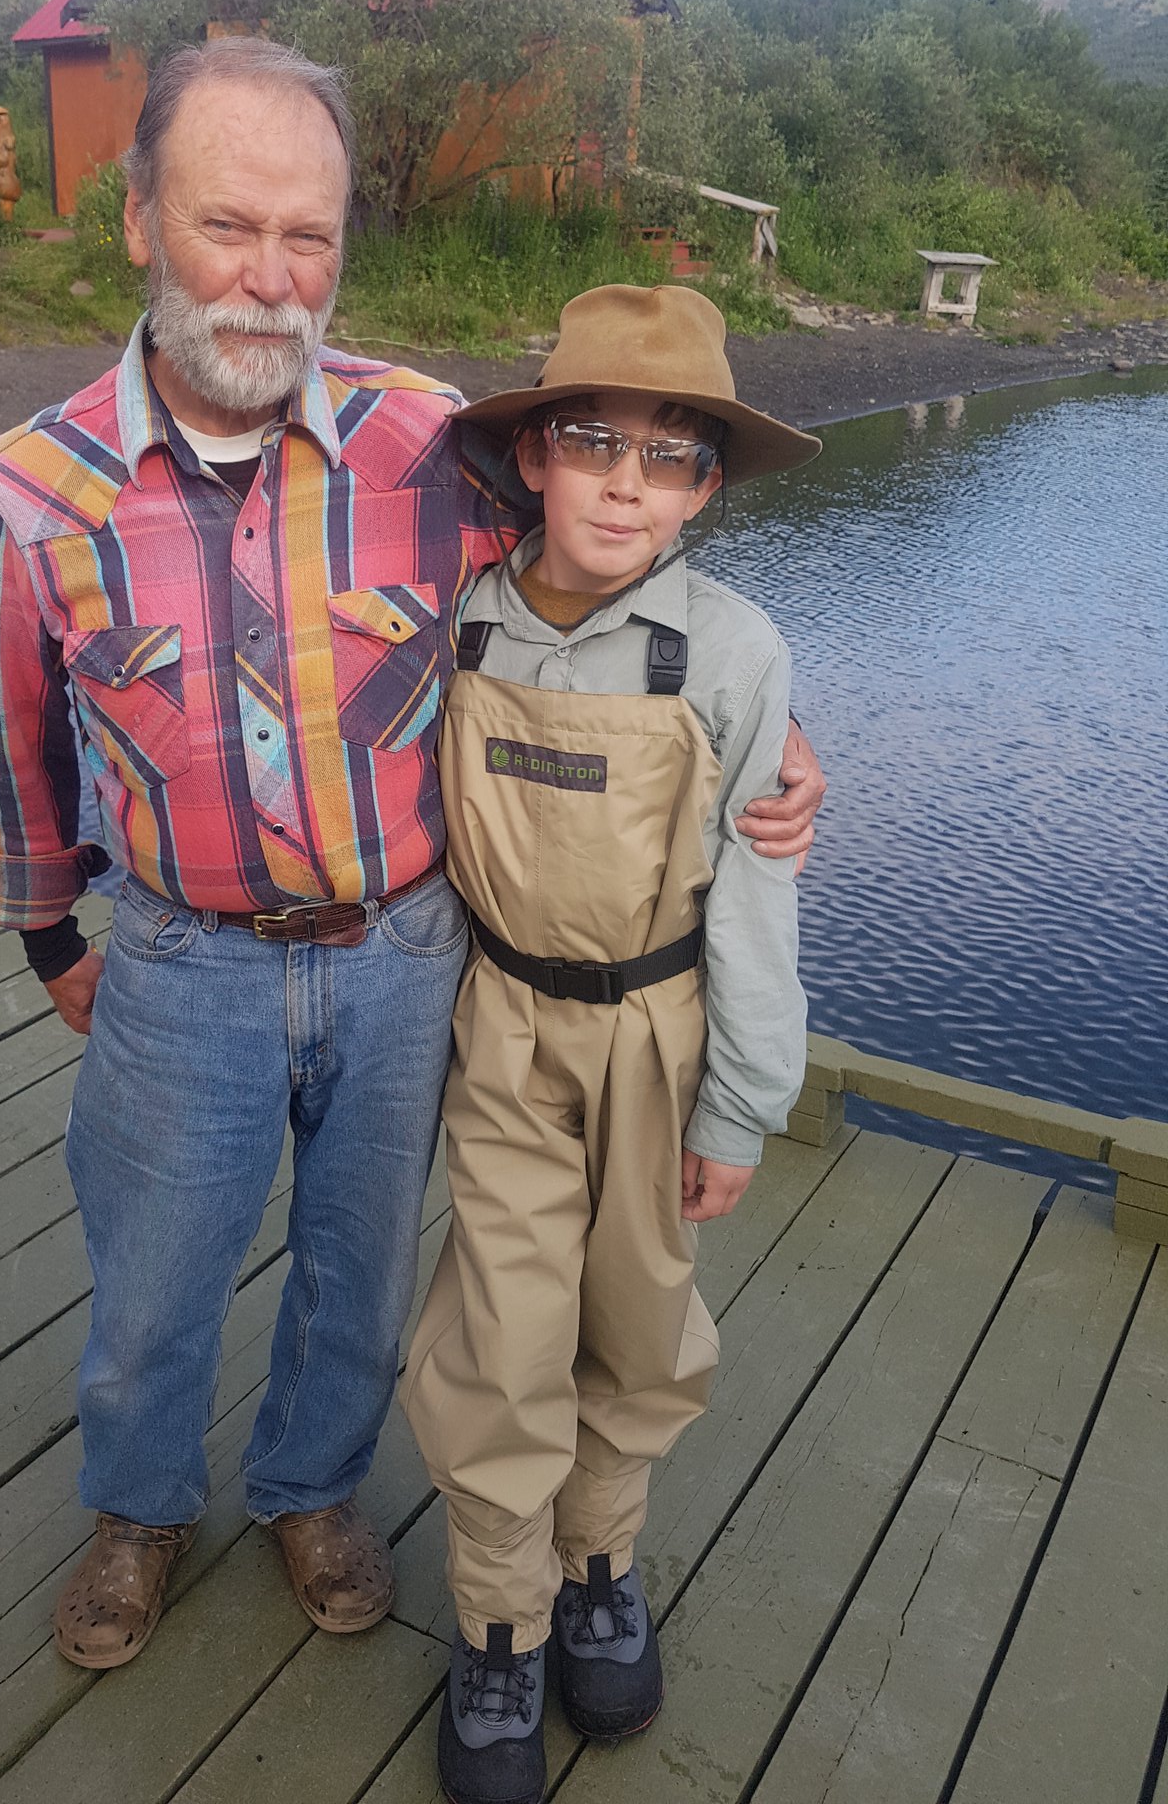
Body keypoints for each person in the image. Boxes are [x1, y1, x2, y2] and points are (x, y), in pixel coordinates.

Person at [0, 38, 826, 1679]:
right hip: (173, 956)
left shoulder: (432, 439)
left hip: (407, 952)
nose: (270, 277)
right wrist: (53, 941)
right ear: (140, 217)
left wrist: (770, 745)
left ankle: (307, 1488)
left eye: (311, 235)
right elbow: (15, 747)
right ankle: (139, 1507)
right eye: (230, 225)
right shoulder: (30, 487)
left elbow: (606, 565)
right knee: (152, 1282)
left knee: (363, 1272)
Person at [398, 283, 817, 1804]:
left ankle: (601, 1571)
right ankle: (503, 1628)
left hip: (665, 1039)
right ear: (532, 457)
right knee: (502, 1335)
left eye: (673, 454)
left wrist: (746, 1103)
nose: (628, 482)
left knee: (638, 1329)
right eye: (592, 440)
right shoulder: (458, 618)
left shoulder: (735, 652)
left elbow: (759, 893)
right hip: (503, 1029)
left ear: (708, 483)